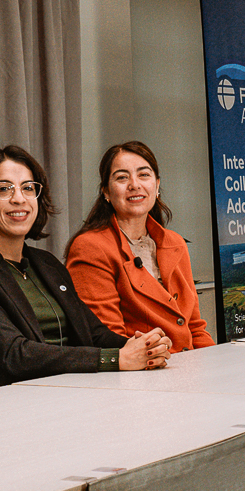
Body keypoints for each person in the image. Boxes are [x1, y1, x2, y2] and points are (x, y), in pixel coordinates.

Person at [0, 145, 171, 392]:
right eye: (4, 189)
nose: (19, 198)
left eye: (28, 188)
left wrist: (143, 348)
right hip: (13, 403)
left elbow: (94, 335)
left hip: (76, 392)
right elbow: (14, 355)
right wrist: (114, 359)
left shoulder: (46, 263)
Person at [65, 141, 213, 352]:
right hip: (139, 374)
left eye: (144, 175)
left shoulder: (174, 243)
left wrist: (215, 370)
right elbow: (107, 339)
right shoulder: (90, 247)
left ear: (157, 185)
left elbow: (195, 328)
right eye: (122, 177)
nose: (134, 184)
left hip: (188, 371)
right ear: (106, 191)